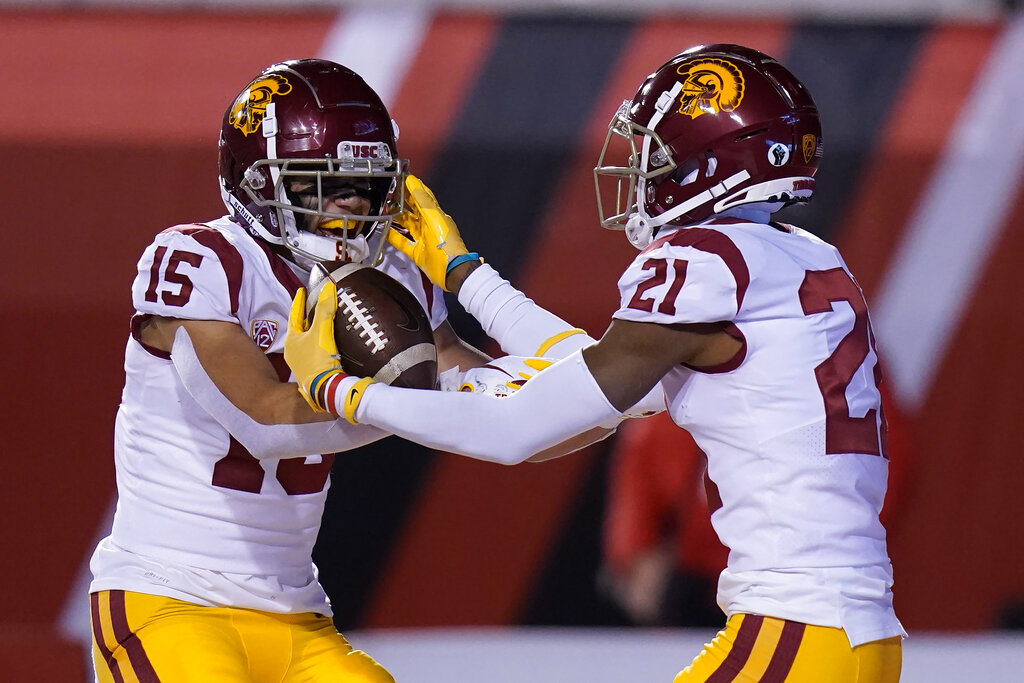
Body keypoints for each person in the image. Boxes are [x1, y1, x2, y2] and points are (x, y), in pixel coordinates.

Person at [287, 44, 906, 681]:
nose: (639, 170)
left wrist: (336, 390)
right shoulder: (805, 258)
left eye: (655, 153)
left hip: (798, 627)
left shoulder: (703, 262)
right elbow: (585, 370)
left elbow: (517, 429)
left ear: (712, 162)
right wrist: (463, 274)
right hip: (843, 626)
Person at [87, 58, 503, 682]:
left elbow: (476, 382)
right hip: (169, 597)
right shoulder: (205, 259)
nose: (350, 204)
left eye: (364, 184)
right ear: (256, 183)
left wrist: (610, 386)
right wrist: (413, 400)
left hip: (297, 614)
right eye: (323, 183)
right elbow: (269, 420)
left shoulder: (391, 272)